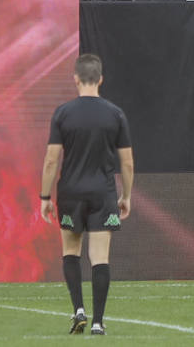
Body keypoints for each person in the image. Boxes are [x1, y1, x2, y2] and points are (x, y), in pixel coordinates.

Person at [41, 53, 133, 337]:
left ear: (76, 79)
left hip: (70, 191)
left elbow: (51, 160)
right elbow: (127, 161)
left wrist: (45, 196)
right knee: (99, 257)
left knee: (71, 252)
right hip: (102, 192)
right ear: (101, 79)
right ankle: (98, 322)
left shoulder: (63, 113)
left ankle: (78, 309)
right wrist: (126, 196)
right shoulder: (115, 113)